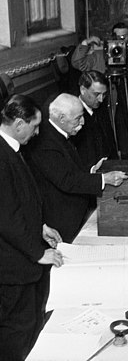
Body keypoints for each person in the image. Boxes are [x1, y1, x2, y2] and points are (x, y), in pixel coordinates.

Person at [0, 94, 64, 360]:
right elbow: (6, 217)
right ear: (18, 123)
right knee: (19, 330)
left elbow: (19, 200)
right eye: (35, 126)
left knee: (29, 326)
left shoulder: (11, 148)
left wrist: (40, 227)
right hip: (12, 267)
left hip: (20, 258)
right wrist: (38, 253)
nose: (37, 133)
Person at [24, 93, 128, 243]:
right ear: (61, 119)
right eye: (78, 118)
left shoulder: (58, 132)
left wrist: (92, 170)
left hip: (75, 212)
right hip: (62, 221)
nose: (83, 122)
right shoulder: (45, 142)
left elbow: (68, 167)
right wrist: (104, 179)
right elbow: (67, 180)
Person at [71, 22, 128, 158]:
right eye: (117, 36)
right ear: (112, 37)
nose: (121, 40)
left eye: (124, 36)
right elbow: (78, 62)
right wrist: (86, 43)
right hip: (106, 109)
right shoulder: (99, 56)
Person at [71, 70, 118, 171]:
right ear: (83, 89)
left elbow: (109, 140)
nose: (101, 99)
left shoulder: (101, 107)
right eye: (96, 94)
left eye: (104, 94)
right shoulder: (71, 114)